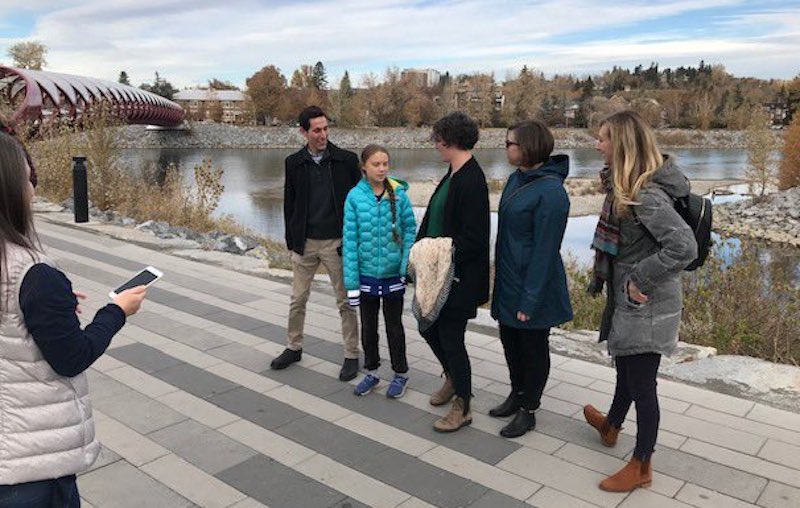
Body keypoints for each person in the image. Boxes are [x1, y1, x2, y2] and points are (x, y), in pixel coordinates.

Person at [0, 131, 147, 507]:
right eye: (29, 179)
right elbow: (72, 356)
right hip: (31, 465)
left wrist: (50, 307)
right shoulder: (31, 272)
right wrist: (117, 311)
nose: (33, 190)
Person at [583, 110, 698, 492]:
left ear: (622, 145)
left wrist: (638, 279)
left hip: (647, 301)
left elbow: (683, 246)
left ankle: (642, 465)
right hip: (634, 298)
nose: (597, 145)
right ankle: (612, 425)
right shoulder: (627, 186)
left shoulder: (644, 194)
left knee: (642, 383)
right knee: (627, 367)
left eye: (603, 139)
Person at [489, 119, 573, 438]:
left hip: (533, 286)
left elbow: (545, 251)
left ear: (527, 147)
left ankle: (529, 409)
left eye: (509, 143)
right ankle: (516, 394)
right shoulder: (516, 179)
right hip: (510, 279)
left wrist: (530, 299)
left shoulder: (552, 192)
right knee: (510, 340)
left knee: (533, 347)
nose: (506, 148)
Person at [272, 106, 363, 381]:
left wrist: (354, 240)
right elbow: (289, 203)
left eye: (325, 128)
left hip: (337, 242)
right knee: (297, 299)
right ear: (304, 132)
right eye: (316, 130)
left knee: (345, 302)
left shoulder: (346, 161)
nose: (323, 134)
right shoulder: (294, 163)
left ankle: (351, 354)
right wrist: (292, 241)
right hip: (305, 243)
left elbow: (360, 202)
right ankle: (293, 346)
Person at [416, 112, 490, 432]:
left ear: (450, 141)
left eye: (438, 139)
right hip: (438, 273)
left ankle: (464, 404)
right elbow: (435, 217)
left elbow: (474, 239)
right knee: (428, 327)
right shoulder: (453, 173)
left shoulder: (472, 180)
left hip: (457, 277)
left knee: (450, 336)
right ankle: (452, 377)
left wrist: (436, 253)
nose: (435, 145)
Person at [343, 145, 417, 398]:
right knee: (368, 326)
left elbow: (410, 232)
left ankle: (400, 373)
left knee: (394, 326)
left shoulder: (399, 195)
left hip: (392, 274)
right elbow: (350, 242)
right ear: (364, 167)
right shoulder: (354, 197)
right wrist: (351, 283)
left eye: (385, 163)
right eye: (376, 164)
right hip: (366, 277)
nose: (382, 168)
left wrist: (404, 266)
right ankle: (372, 371)